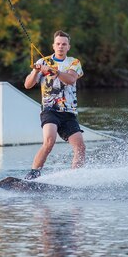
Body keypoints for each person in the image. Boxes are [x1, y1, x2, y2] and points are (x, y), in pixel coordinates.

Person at [23, 30, 85, 179]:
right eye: (58, 44)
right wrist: (35, 71)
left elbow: (70, 79)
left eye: (64, 44)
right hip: (50, 110)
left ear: (68, 47)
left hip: (68, 112)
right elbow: (27, 85)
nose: (61, 47)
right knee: (49, 141)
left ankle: (76, 177)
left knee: (80, 147)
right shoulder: (42, 62)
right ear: (53, 45)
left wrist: (53, 71)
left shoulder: (74, 62)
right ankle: (33, 174)